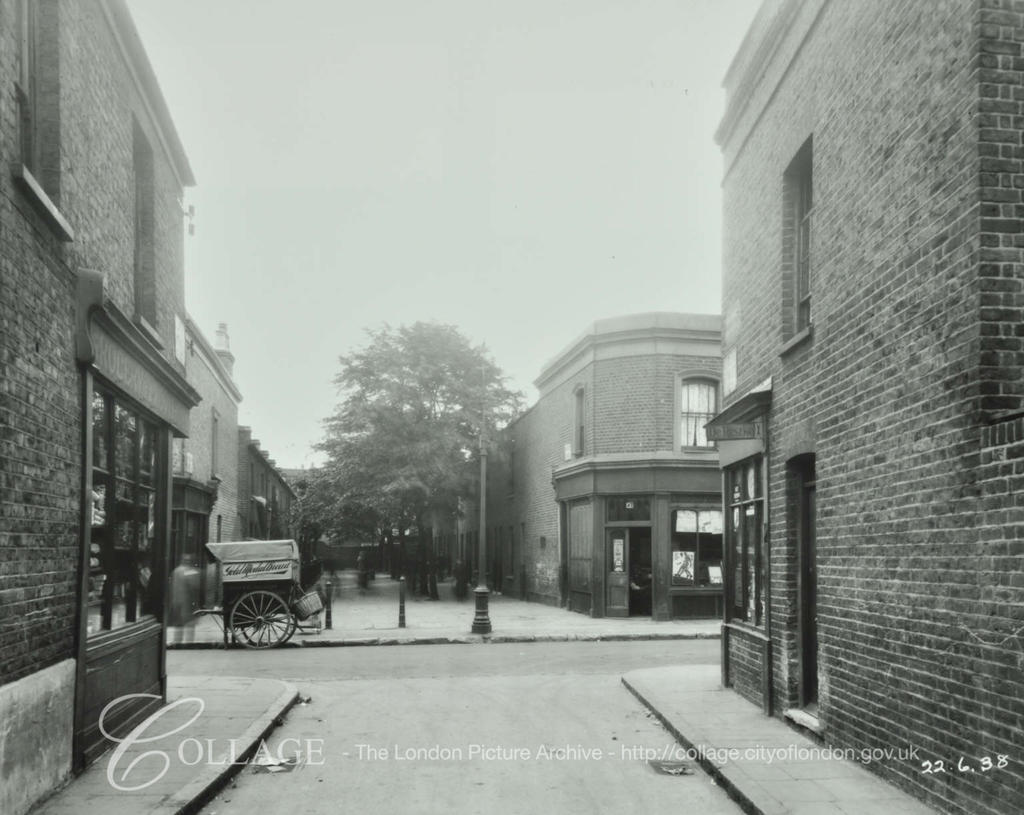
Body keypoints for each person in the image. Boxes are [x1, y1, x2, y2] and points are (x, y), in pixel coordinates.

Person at [168, 554, 200, 643]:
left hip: (176, 601)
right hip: (187, 601)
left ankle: (177, 641)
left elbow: (171, 586)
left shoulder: (176, 571)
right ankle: (189, 643)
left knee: (178, 623)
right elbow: (195, 586)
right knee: (189, 623)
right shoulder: (190, 571)